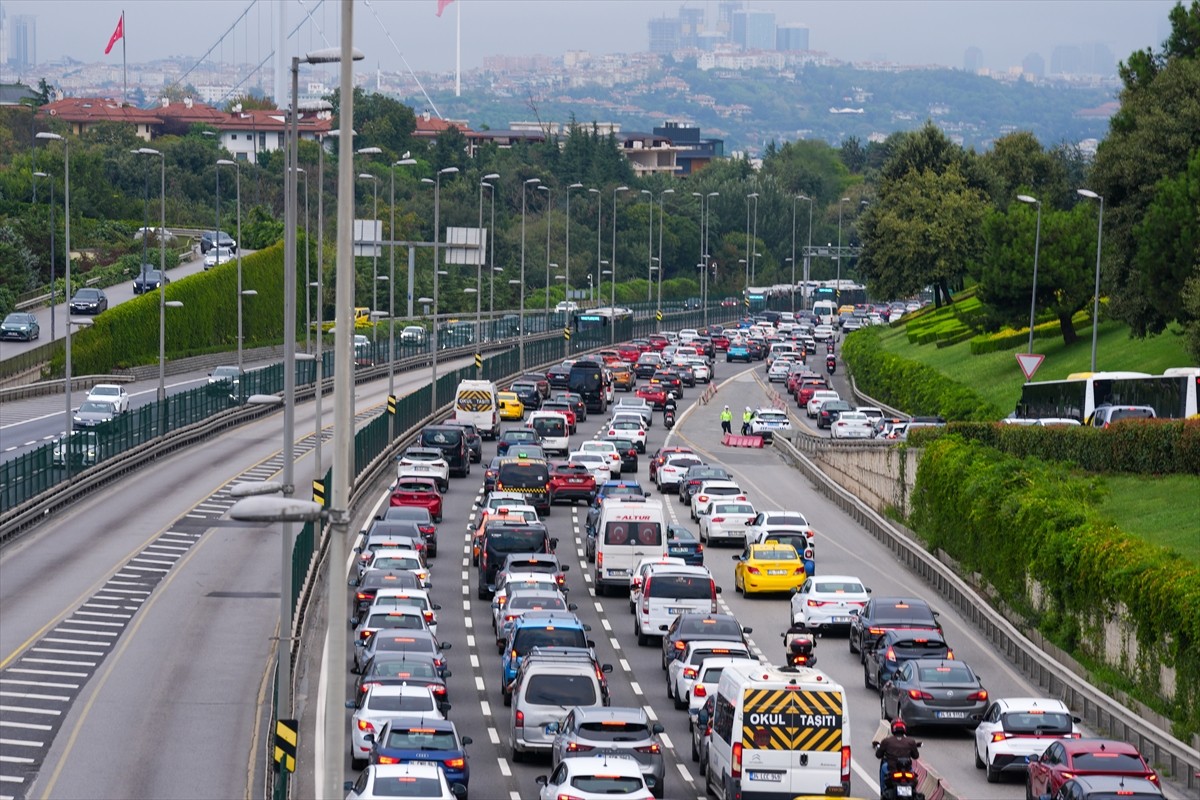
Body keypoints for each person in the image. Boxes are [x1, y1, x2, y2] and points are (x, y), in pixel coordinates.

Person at [874, 719, 920, 792]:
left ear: (893, 729)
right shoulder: (911, 741)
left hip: (891, 769)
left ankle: (883, 790)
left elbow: (878, 755)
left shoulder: (886, 741)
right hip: (907, 769)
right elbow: (916, 756)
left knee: (883, 767)